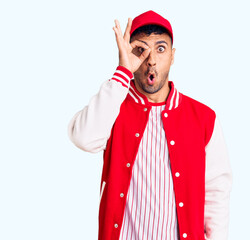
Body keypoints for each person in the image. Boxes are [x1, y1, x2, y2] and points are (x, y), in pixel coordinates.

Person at [68, 10, 232, 240]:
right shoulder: (113, 108)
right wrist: (123, 72)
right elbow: (83, 138)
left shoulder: (203, 118)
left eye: (161, 49)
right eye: (140, 50)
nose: (151, 60)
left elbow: (217, 192)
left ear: (173, 56)